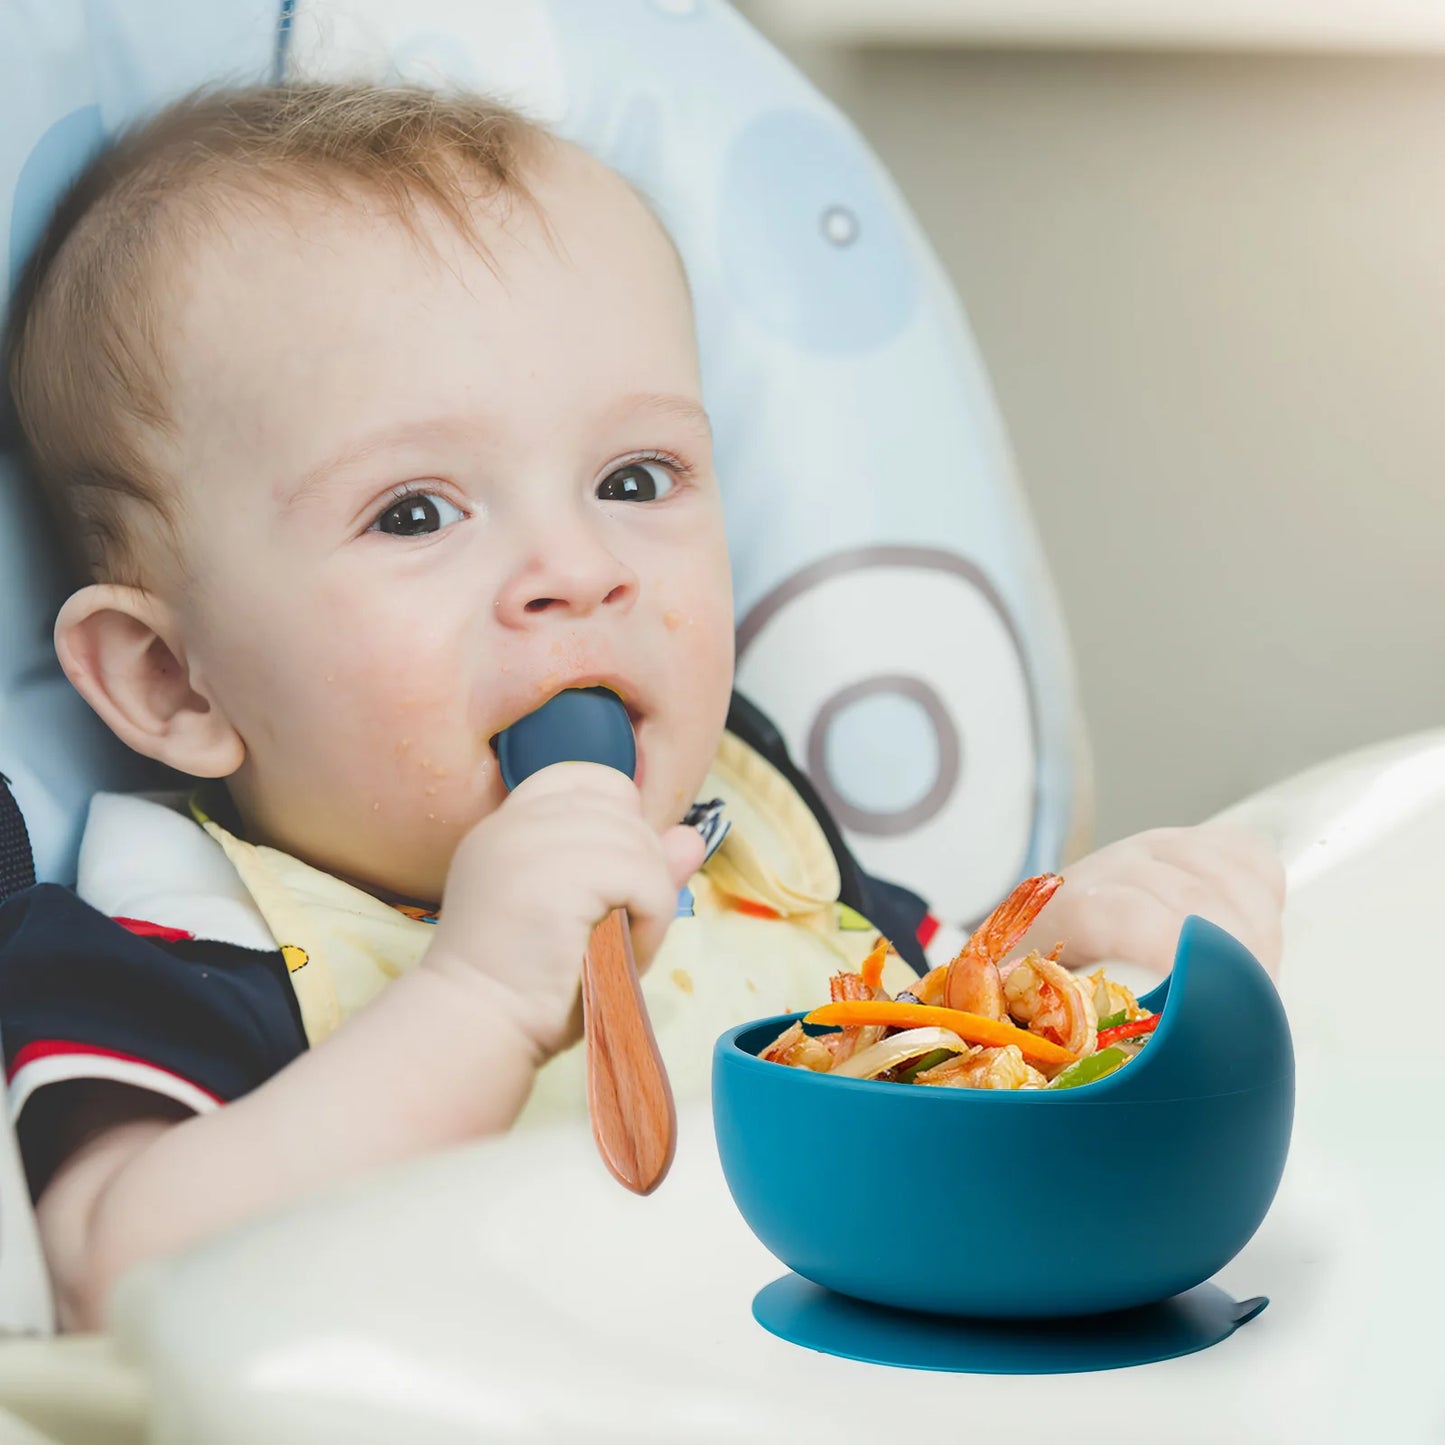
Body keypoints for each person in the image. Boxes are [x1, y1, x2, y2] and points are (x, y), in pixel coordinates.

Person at [0, 83, 1284, 1331]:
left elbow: (939, 1055)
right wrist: (480, 1001)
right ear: (172, 678)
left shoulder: (748, 835)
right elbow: (116, 1277)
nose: (580, 567)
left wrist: (1061, 955)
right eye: (415, 511)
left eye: (633, 475)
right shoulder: (175, 939)